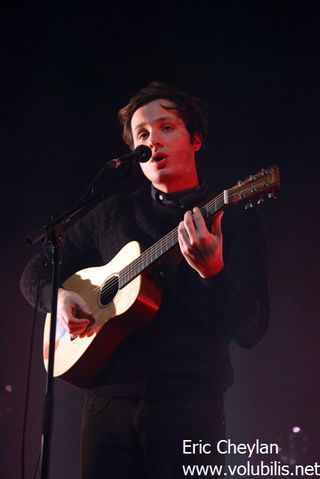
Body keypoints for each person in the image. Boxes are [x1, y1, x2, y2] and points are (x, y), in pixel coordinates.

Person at [20, 80, 270, 478]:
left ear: (196, 139)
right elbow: (35, 271)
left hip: (191, 407)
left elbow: (253, 328)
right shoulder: (111, 214)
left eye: (167, 127)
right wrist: (61, 296)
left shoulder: (234, 219)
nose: (153, 139)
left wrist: (213, 273)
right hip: (106, 409)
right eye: (142, 134)